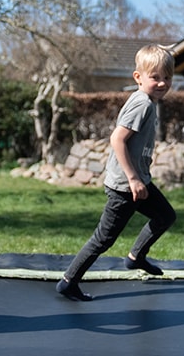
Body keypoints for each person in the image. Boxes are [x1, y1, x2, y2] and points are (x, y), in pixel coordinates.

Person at [56, 44, 177, 301]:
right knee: (103, 239)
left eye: (167, 77)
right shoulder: (142, 104)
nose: (162, 83)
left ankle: (136, 257)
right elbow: (117, 139)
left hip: (139, 181)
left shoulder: (148, 101)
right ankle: (69, 281)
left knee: (165, 215)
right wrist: (133, 178)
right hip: (126, 186)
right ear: (138, 77)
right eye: (155, 77)